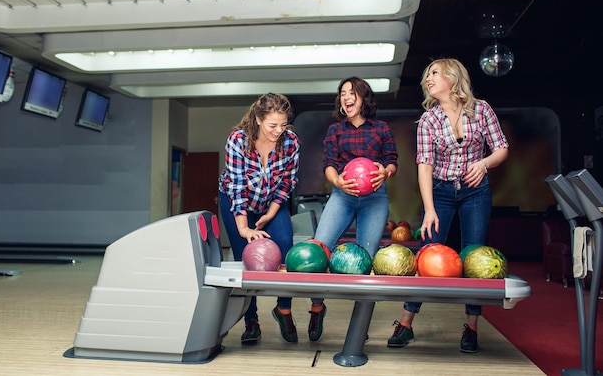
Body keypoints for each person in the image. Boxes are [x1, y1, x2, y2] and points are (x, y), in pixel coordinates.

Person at [388, 58, 509, 353]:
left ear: (453, 78)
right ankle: (406, 323)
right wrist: (429, 208)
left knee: (475, 255)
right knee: (428, 252)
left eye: (434, 73)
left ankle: (471, 327)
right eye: (426, 74)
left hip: (475, 192)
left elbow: (502, 148)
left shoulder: (482, 110)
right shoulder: (429, 120)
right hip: (440, 192)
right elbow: (424, 166)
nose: (427, 79)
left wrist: (483, 163)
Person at [308, 76, 398, 342]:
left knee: (366, 261)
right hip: (342, 195)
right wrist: (337, 181)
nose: (346, 97)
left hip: (375, 198)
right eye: (343, 93)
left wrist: (386, 172)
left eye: (352, 93)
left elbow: (392, 161)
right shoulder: (335, 130)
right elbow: (329, 163)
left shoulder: (381, 128)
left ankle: (361, 324)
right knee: (320, 248)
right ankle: (316, 307)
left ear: (363, 97)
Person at [218, 92, 300, 344]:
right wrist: (244, 228)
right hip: (236, 200)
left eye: (283, 124)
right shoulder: (238, 140)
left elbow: (288, 181)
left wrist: (272, 212)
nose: (278, 131)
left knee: (286, 248)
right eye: (272, 125)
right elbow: (237, 186)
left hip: (270, 203)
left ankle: (283, 309)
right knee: (246, 257)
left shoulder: (291, 142)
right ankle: (250, 320)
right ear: (258, 119)